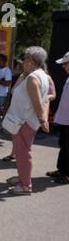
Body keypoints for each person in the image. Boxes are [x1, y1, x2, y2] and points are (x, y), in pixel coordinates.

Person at [5, 47, 50, 195]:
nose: (23, 61)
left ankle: (25, 185)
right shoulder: (39, 75)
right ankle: (23, 178)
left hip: (24, 121)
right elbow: (42, 100)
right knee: (23, 152)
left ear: (30, 60)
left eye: (24, 58)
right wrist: (42, 119)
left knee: (23, 154)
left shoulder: (33, 77)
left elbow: (37, 102)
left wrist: (42, 119)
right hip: (25, 121)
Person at [46, 51, 69, 184]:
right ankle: (61, 170)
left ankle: (67, 174)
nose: (63, 67)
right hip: (65, 120)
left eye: (65, 64)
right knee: (64, 146)